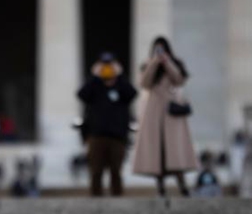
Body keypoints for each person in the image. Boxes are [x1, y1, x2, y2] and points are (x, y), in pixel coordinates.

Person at [132, 36, 198, 196]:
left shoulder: (176, 63)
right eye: (157, 49)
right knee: (157, 151)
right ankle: (160, 187)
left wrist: (167, 62)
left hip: (171, 113)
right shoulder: (148, 65)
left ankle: (182, 185)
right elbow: (145, 83)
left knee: (174, 151)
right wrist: (154, 62)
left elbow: (178, 80)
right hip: (154, 112)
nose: (160, 52)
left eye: (162, 49)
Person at [77, 53, 138, 196]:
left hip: (117, 136)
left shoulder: (121, 86)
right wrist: (94, 76)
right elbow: (81, 94)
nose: (107, 69)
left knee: (116, 170)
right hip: (96, 135)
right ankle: (95, 199)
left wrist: (120, 75)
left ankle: (117, 199)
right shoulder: (95, 86)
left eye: (109, 65)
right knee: (95, 171)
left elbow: (132, 94)